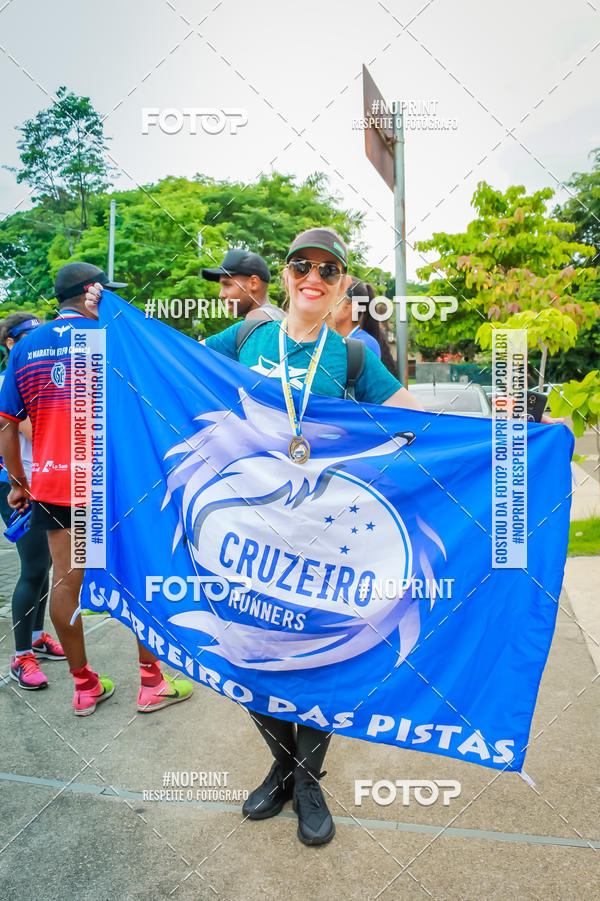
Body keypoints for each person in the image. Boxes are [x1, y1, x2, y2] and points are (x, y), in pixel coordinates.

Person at [203, 227, 423, 846]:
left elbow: (418, 423)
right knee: (251, 646)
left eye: (328, 271)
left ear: (341, 286)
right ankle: (282, 763)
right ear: (287, 271)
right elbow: (169, 366)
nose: (313, 278)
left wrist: (515, 434)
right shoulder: (244, 336)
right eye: (302, 265)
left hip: (322, 535)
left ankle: (305, 781)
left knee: (317, 651)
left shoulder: (352, 356)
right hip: (245, 528)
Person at [0, 262, 194, 716]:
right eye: (106, 292)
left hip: (54, 481)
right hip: (114, 483)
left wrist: (19, 483)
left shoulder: (25, 347)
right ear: (91, 293)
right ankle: (151, 682)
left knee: (66, 580)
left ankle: (85, 685)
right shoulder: (111, 341)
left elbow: (7, 428)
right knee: (139, 576)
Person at [0, 313, 59, 690]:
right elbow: (35, 431)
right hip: (16, 483)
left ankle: (37, 636)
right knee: (34, 566)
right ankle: (21, 657)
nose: (36, 341)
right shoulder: (12, 378)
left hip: (44, 480)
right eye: (26, 336)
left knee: (47, 566)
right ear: (9, 343)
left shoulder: (34, 373)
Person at [332, 276, 398, 375]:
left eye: (334, 297)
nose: (326, 302)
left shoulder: (364, 344)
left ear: (352, 306)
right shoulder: (337, 340)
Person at [202, 249, 284, 321]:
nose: (221, 294)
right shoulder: (280, 316)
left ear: (253, 283)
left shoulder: (257, 317)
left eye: (227, 285)